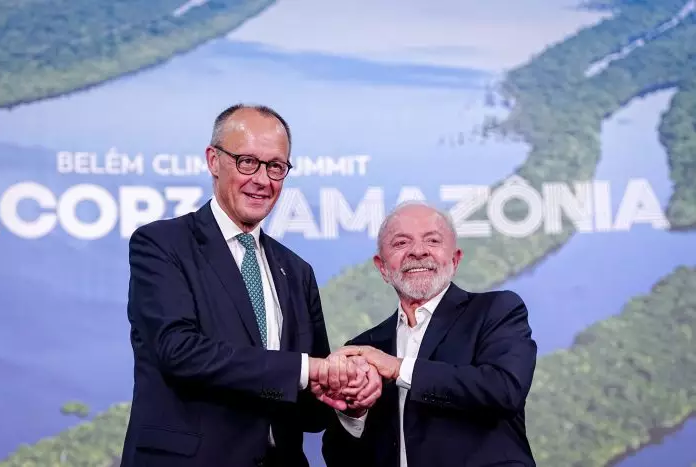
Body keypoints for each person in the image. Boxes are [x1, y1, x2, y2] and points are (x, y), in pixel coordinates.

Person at [120, 104, 380, 467]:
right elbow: (178, 350)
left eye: (275, 167)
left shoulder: (296, 271)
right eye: (247, 162)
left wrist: (346, 397)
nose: (262, 179)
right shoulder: (163, 244)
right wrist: (307, 369)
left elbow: (309, 409)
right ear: (213, 160)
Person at [321, 201, 538, 467]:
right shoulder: (364, 348)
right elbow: (338, 458)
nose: (418, 251)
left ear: (455, 260)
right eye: (401, 243)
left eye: (432, 241)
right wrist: (355, 412)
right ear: (382, 267)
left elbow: (505, 390)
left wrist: (398, 368)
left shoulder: (496, 311)